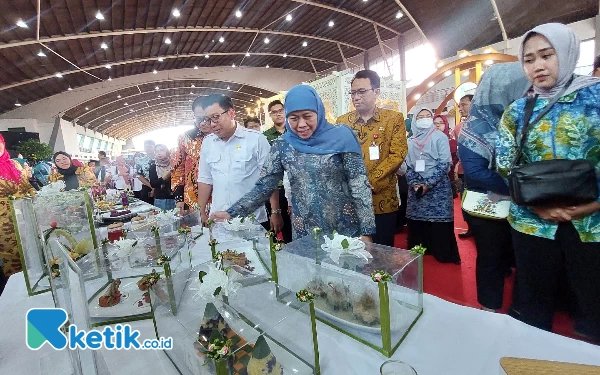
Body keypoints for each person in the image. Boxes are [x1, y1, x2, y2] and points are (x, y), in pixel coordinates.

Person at [496, 23, 600, 341]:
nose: (538, 66)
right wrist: (539, 207)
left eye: (546, 55)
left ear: (566, 53)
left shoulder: (594, 99)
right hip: (532, 223)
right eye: (529, 60)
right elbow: (505, 164)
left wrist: (593, 205)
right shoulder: (517, 111)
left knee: (594, 301)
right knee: (533, 302)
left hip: (593, 223)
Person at [210, 84, 375, 241]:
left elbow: (359, 185)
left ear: (318, 111)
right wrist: (233, 212)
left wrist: (367, 232)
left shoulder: (342, 136)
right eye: (294, 118)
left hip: (344, 230)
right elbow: (264, 187)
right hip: (305, 231)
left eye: (308, 116)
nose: (301, 124)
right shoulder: (283, 144)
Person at [458, 62, 531, 312]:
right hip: (490, 206)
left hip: (526, 206)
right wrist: (523, 185)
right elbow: (476, 173)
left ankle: (523, 310)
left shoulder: (528, 119)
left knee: (524, 259)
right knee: (491, 258)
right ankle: (489, 307)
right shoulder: (476, 125)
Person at [336, 70, 407, 247]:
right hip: (351, 200)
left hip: (382, 199)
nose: (356, 97)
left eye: (361, 92)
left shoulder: (393, 119)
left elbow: (397, 153)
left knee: (382, 252)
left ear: (376, 92)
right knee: (353, 251)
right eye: (353, 93)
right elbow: (337, 156)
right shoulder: (343, 122)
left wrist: (369, 181)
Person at [196, 94, 276, 230]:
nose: (212, 124)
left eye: (216, 117)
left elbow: (269, 177)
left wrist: (275, 211)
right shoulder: (208, 142)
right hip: (218, 218)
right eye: (208, 119)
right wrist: (201, 211)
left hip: (252, 219)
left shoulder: (256, 139)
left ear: (231, 113)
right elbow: (205, 179)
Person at [405, 107, 460, 264]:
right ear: (414, 120)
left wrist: (428, 184)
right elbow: (407, 166)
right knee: (417, 224)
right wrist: (415, 183)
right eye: (420, 116)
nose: (424, 119)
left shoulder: (439, 137)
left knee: (439, 224)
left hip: (438, 189)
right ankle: (420, 250)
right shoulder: (410, 141)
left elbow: (445, 164)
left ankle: (442, 252)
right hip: (415, 189)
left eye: (427, 116)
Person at [0, 134, 36, 284]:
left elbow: (27, 186)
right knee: (13, 260)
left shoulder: (15, 164)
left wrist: (36, 199)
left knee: (33, 254)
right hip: (4, 225)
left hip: (26, 217)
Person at [172, 97, 212, 214]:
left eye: (207, 118)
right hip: (192, 200)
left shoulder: (222, 137)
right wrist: (179, 198)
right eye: (199, 118)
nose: (203, 123)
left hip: (220, 200)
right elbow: (178, 169)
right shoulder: (185, 138)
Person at [262, 99, 292, 243]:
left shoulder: (294, 132)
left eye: (281, 111)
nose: (278, 114)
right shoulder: (265, 137)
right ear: (270, 115)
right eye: (274, 112)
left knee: (294, 226)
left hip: (293, 185)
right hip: (276, 187)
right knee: (277, 225)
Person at [454, 94, 474, 238]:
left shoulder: (485, 123)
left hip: (480, 170)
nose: (460, 108)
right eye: (459, 106)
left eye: (464, 104)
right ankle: (470, 226)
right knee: (465, 199)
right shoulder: (459, 128)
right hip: (463, 169)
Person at [434, 114, 459, 197]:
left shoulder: (452, 142)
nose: (438, 125)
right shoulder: (427, 142)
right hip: (431, 181)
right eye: (435, 123)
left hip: (448, 179)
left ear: (446, 124)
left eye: (441, 122)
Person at [149, 144, 175, 210]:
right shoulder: (153, 166)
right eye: (157, 151)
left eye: (162, 150)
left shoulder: (174, 164)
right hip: (160, 199)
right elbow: (153, 184)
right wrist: (163, 178)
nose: (159, 153)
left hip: (173, 198)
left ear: (167, 151)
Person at [135, 140, 155, 204]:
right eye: (146, 147)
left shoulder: (160, 159)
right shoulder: (140, 161)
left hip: (160, 188)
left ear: (154, 147)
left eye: (150, 147)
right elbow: (138, 175)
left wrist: (155, 188)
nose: (148, 148)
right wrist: (151, 187)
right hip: (146, 187)